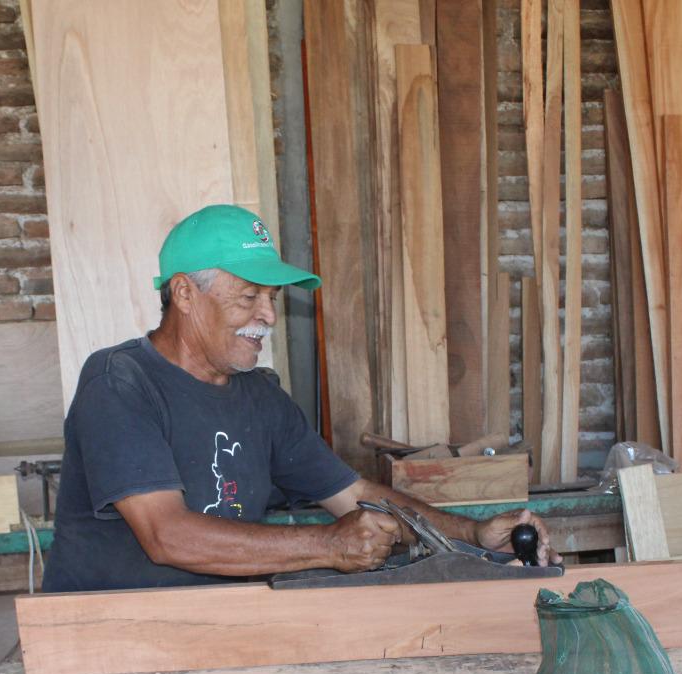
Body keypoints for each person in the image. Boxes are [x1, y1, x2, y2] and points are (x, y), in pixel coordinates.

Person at [41, 204, 559, 593]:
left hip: (217, 631)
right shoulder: (121, 382)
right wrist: (326, 545)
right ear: (184, 294)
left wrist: (472, 533)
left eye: (272, 299)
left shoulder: (260, 398)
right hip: (105, 631)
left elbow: (354, 496)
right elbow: (167, 537)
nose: (267, 316)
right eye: (249, 296)